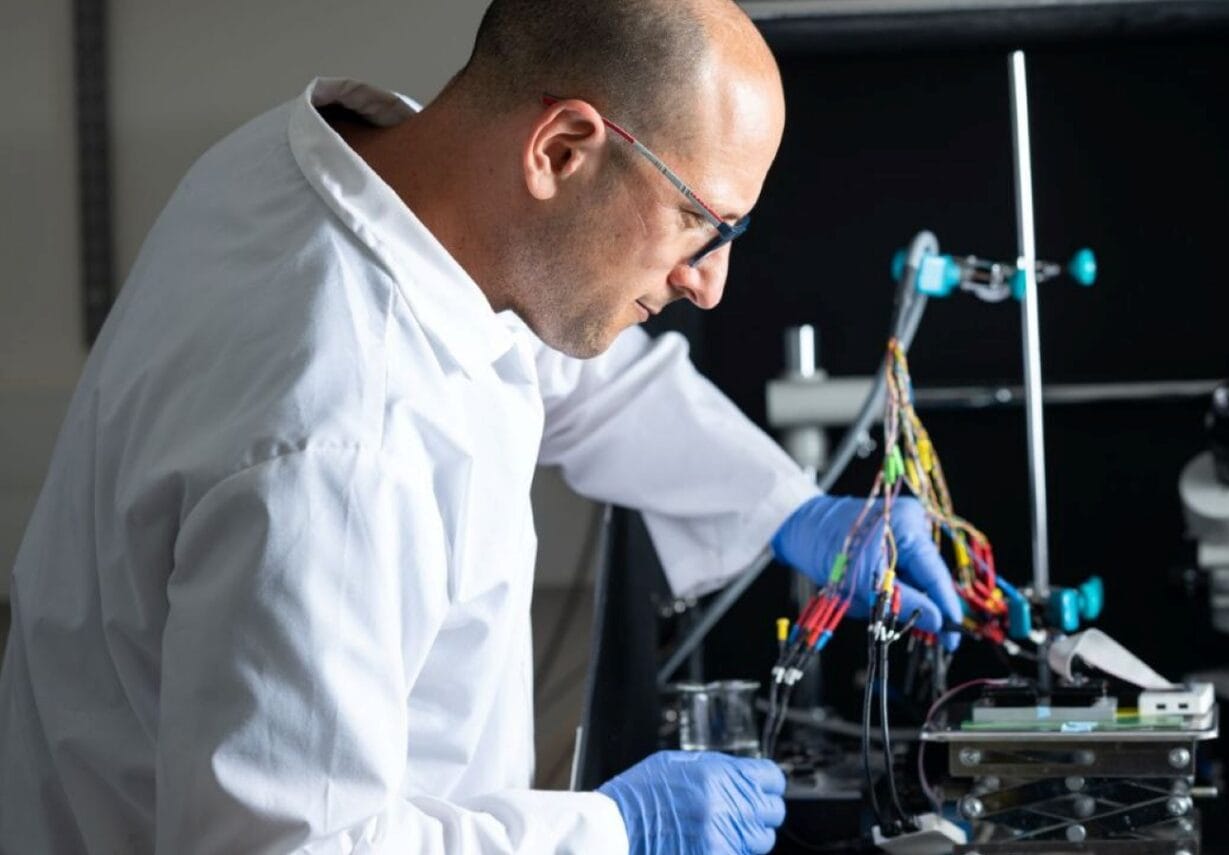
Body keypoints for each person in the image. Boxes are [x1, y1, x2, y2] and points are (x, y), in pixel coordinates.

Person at [0, 0, 962, 852]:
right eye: (699, 222)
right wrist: (615, 832)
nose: (709, 282)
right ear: (561, 149)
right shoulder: (338, 446)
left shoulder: (352, 179)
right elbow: (291, 846)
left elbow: (568, 370)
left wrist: (791, 510)